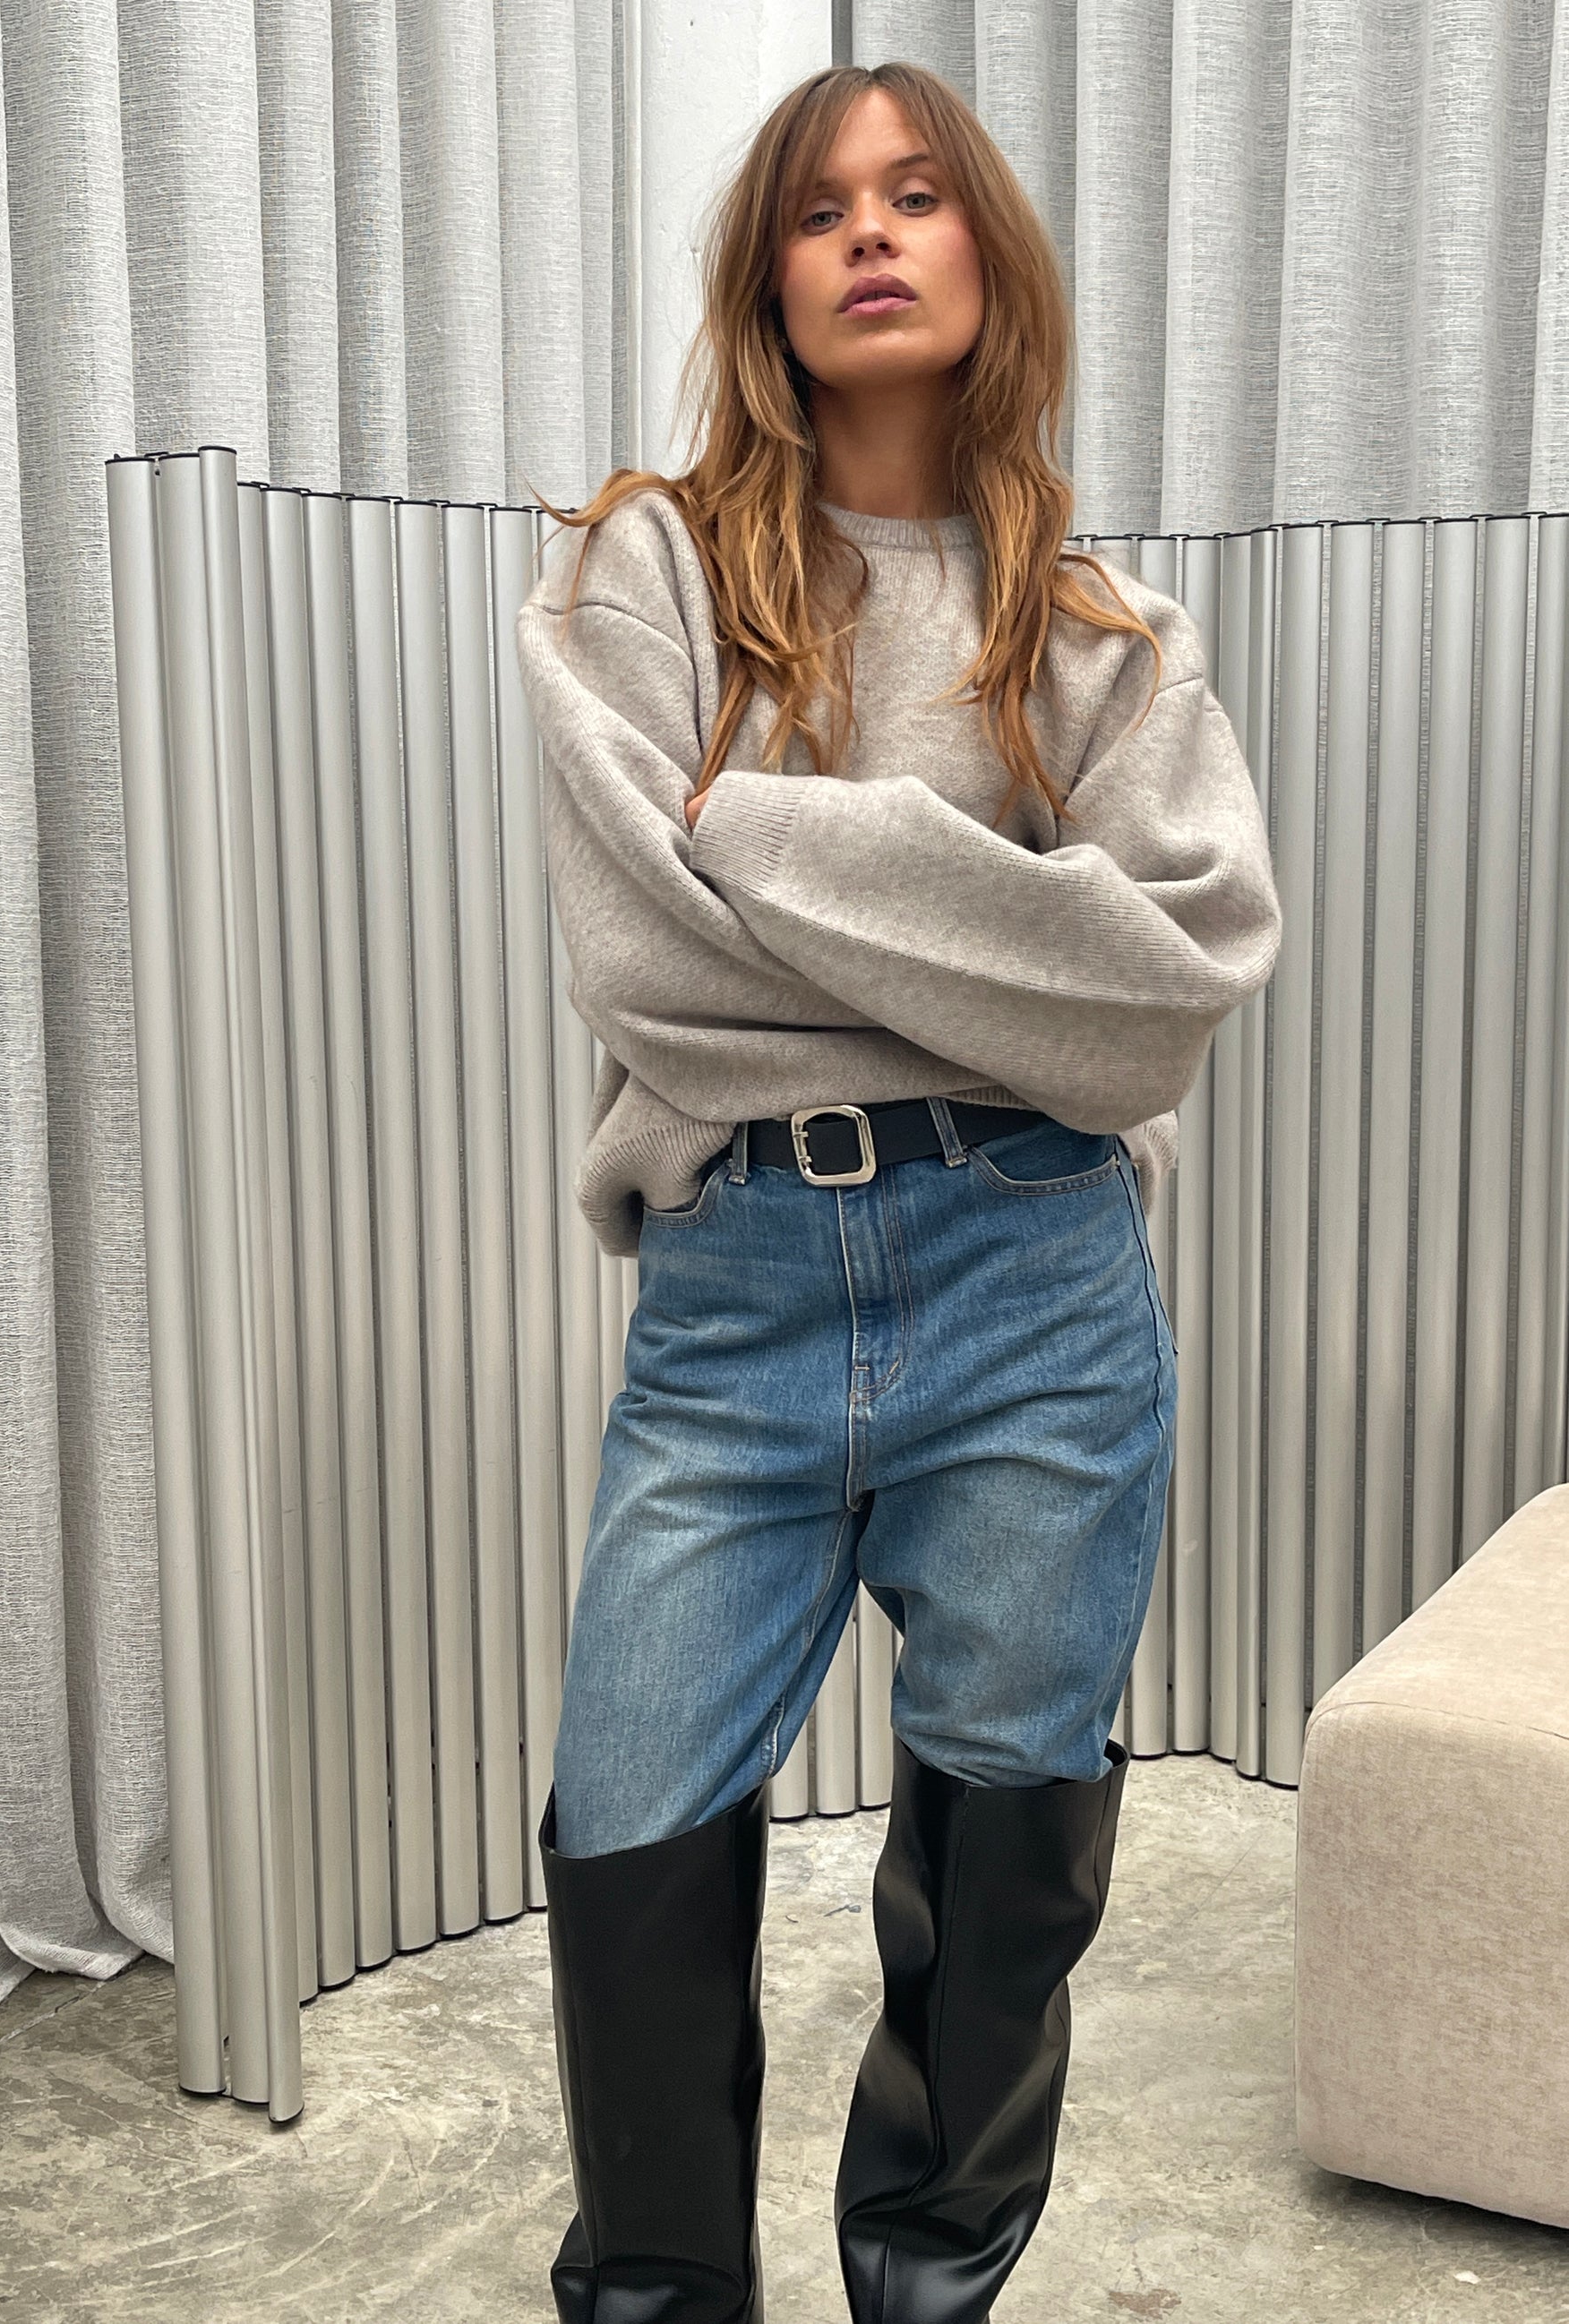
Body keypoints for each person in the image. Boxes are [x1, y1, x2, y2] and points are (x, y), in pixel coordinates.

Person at [511, 58, 1282, 2324]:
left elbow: (1164, 989)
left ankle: (927, 2289)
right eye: (820, 204)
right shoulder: (640, 566)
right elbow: (648, 968)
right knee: (628, 1827)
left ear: (983, 254)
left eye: (918, 193)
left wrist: (757, 831)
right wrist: (995, 938)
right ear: (767, 274)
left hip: (1039, 1289)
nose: (868, 231)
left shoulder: (1104, 624)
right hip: (737, 1295)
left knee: (1009, 1864)